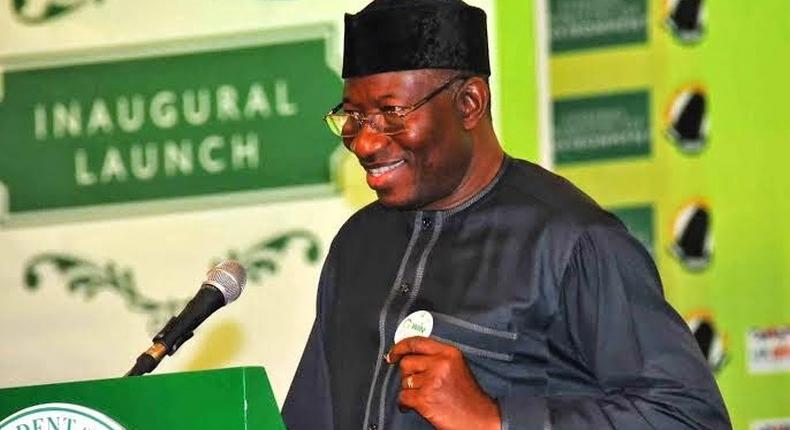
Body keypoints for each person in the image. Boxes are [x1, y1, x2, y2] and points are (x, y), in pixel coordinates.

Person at [282, 0, 731, 429]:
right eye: (354, 116)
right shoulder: (357, 244)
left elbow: (688, 417)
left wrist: (496, 419)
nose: (364, 142)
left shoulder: (572, 242)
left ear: (469, 104)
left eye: (391, 113)